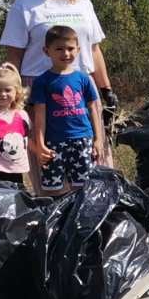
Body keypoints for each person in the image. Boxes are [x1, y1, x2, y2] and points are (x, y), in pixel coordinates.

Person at [0, 0, 114, 157]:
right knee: (49, 155)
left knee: (93, 153)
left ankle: (94, 190)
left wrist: (106, 89)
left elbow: (94, 50)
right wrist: (12, 94)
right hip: (41, 87)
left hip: (81, 85)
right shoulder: (25, 6)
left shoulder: (83, 4)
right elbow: (14, 55)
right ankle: (51, 191)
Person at [29, 25, 103, 196]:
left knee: (84, 189)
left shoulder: (83, 78)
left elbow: (93, 108)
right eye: (59, 49)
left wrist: (98, 139)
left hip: (82, 140)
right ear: (47, 51)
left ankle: (80, 220)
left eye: (70, 49)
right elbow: (39, 115)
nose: (66, 53)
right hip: (54, 143)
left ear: (78, 50)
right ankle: (55, 220)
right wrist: (40, 145)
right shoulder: (42, 81)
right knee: (52, 190)